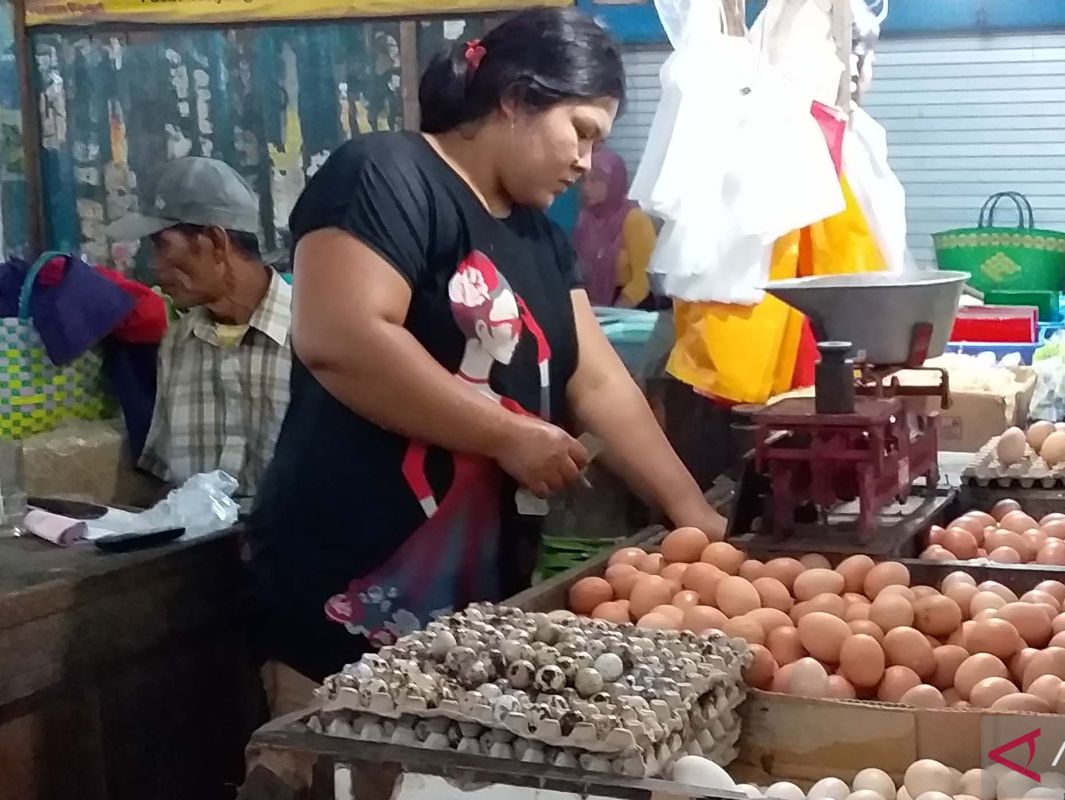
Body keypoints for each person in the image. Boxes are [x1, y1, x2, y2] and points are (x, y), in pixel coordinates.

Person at [247, 6, 726, 711]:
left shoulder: (537, 237)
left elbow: (596, 379)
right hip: (341, 581)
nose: (587, 161)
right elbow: (341, 338)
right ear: (514, 99)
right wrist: (507, 434)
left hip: (474, 609)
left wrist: (693, 516)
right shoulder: (384, 175)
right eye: (581, 131)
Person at [107, 157, 292, 502]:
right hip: (197, 552)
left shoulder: (312, 337)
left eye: (162, 246)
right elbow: (164, 479)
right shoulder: (177, 344)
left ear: (217, 243)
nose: (154, 267)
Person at [574, 146, 659, 308]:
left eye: (595, 180)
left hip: (631, 309)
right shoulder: (587, 220)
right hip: (595, 306)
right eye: (584, 179)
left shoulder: (634, 219)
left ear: (614, 182)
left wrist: (613, 311)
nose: (586, 187)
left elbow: (644, 279)